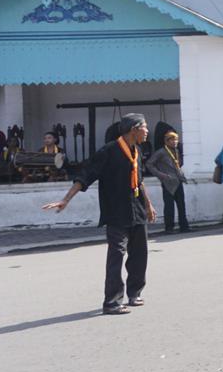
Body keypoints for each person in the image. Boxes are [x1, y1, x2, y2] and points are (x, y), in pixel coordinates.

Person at [43, 113, 156, 314]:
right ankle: (112, 301)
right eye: (145, 127)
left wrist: (148, 205)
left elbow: (139, 181)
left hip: (137, 210)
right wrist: (65, 199)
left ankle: (134, 292)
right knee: (117, 254)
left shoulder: (137, 150)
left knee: (140, 253)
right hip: (116, 212)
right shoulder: (109, 151)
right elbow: (85, 175)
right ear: (134, 129)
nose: (147, 131)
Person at [145, 131, 191, 233]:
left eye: (176, 139)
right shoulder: (161, 152)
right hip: (167, 182)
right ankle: (169, 227)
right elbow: (149, 164)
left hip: (177, 181)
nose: (175, 142)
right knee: (169, 206)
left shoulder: (177, 151)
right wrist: (161, 175)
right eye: (172, 140)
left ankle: (184, 226)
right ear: (167, 141)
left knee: (181, 205)